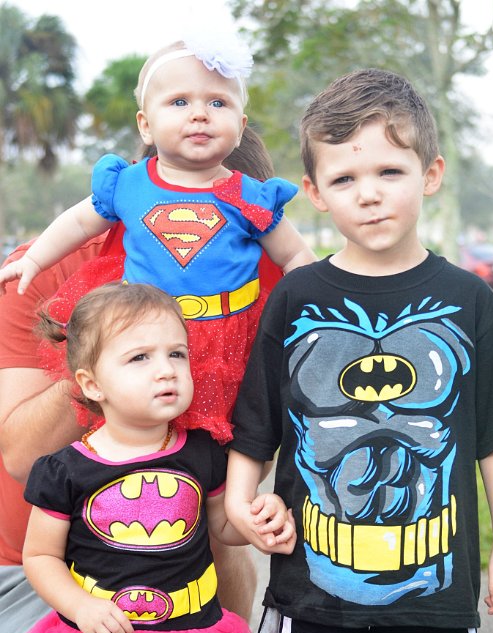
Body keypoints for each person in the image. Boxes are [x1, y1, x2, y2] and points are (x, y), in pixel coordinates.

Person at [224, 68, 493, 633]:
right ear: (315, 192)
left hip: (435, 590)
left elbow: (492, 436)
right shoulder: (296, 299)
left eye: (389, 171)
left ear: (430, 174)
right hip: (310, 586)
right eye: (344, 179)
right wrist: (239, 503)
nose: (369, 194)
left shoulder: (470, 300)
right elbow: (256, 424)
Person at [0, 127, 283, 633]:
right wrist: (116, 337)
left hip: (180, 590)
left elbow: (231, 492)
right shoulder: (41, 266)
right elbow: (21, 458)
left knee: (206, 506)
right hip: (34, 570)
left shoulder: (252, 278)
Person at [15, 282, 296, 633]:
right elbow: (41, 557)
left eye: (177, 354)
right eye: (140, 357)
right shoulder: (63, 470)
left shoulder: (204, 454)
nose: (166, 370)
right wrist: (81, 607)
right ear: (92, 384)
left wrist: (260, 521)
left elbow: (225, 527)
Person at [0, 30, 315, 444]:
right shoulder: (124, 188)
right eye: (179, 102)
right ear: (146, 126)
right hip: (138, 324)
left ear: (239, 127)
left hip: (224, 333)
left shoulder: (252, 204)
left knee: (220, 437)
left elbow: (298, 259)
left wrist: (324, 301)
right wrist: (37, 263)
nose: (199, 115)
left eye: (217, 102)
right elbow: (78, 223)